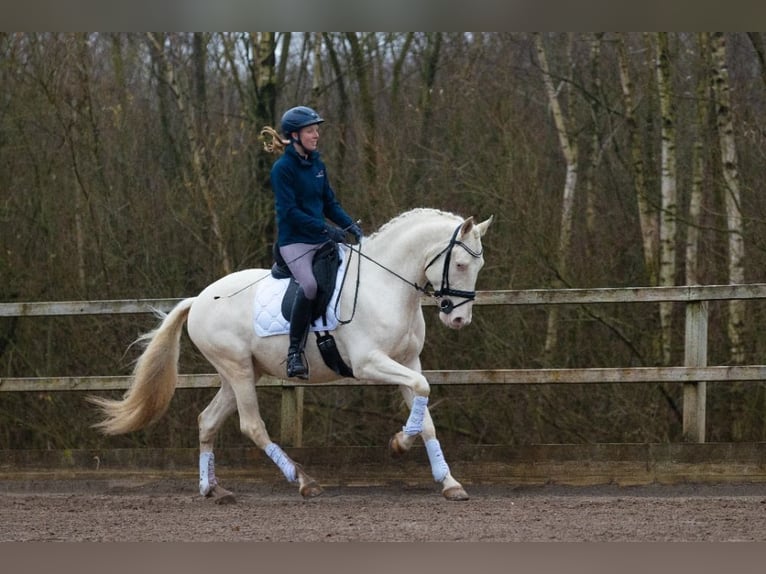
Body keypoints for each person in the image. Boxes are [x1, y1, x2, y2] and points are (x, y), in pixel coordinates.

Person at [261, 105, 363, 379]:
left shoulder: (318, 164)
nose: (316, 135)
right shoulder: (282, 169)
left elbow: (329, 203)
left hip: (320, 238)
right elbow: (290, 212)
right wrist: (326, 229)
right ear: (295, 135)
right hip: (295, 242)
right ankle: (295, 352)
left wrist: (350, 225)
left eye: (317, 130)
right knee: (308, 285)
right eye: (310, 131)